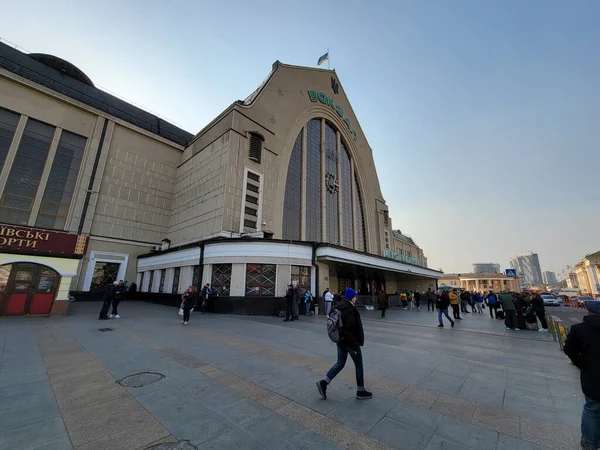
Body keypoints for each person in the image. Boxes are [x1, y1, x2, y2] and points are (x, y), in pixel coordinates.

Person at [316, 288, 373, 400]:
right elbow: (350, 329)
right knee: (359, 365)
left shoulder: (339, 306)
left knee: (340, 363)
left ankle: (324, 382)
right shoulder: (350, 309)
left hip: (340, 341)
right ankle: (360, 391)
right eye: (355, 296)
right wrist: (353, 346)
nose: (356, 298)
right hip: (350, 342)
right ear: (352, 297)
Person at [563, 301, 600, 450]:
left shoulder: (579, 329)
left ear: (588, 311)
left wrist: (582, 364)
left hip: (593, 374)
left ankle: (590, 442)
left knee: (592, 408)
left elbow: (569, 350)